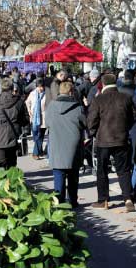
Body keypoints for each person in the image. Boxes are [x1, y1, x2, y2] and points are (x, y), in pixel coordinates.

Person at [87, 73, 136, 212]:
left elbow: (91, 120)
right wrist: (125, 129)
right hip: (121, 139)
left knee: (102, 171)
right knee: (124, 170)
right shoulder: (126, 98)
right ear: (116, 82)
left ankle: (103, 200)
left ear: (102, 83)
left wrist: (93, 133)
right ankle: (127, 198)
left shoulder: (98, 100)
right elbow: (133, 116)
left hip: (103, 140)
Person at [46, 80, 86, 208]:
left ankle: (59, 202)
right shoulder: (78, 107)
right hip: (73, 144)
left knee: (59, 174)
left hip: (57, 143)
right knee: (73, 175)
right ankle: (73, 201)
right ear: (70, 92)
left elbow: (47, 123)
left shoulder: (51, 106)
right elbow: (84, 124)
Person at [0, 78, 30, 169]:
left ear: (1, 88)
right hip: (13, 134)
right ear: (12, 88)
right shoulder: (19, 102)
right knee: (12, 163)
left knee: (1, 164)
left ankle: (3, 182)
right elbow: (25, 119)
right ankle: (12, 181)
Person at [25, 79, 48, 159]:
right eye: (39, 87)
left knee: (40, 136)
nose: (40, 88)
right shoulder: (32, 94)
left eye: (41, 87)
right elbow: (27, 102)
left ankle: (35, 153)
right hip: (34, 118)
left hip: (43, 118)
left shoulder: (46, 95)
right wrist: (29, 111)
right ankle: (39, 150)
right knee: (36, 136)